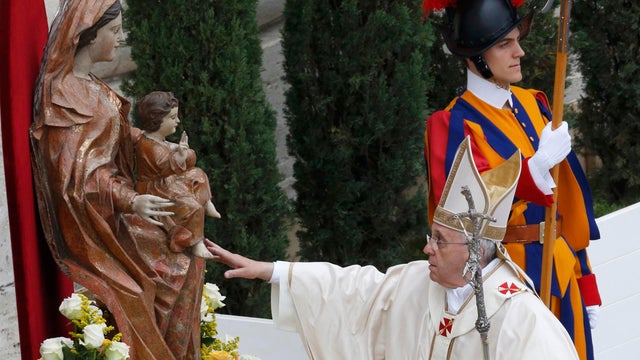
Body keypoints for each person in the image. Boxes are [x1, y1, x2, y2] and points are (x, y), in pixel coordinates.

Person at [208, 138, 579, 359]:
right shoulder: (418, 284)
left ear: (473, 250)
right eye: (430, 235)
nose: (427, 248)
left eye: (439, 240)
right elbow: (351, 291)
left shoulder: (522, 320)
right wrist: (271, 271)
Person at [422, 0, 601, 359]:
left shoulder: (535, 104)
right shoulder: (451, 125)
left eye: (517, 40)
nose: (519, 51)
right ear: (476, 56)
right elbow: (464, 214)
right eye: (505, 44)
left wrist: (587, 281)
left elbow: (567, 203)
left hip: (562, 272)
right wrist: (533, 170)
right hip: (509, 284)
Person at [30, 1, 206, 359]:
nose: (121, 38)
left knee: (185, 251)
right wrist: (130, 200)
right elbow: (74, 176)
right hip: (93, 221)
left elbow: (124, 142)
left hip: (117, 206)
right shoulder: (64, 95)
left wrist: (164, 151)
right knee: (156, 275)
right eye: (114, 31)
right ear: (89, 34)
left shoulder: (94, 87)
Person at [135, 91, 221, 259]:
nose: (178, 121)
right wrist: (180, 157)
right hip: (156, 189)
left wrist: (182, 152)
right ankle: (196, 242)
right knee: (192, 206)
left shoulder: (159, 141)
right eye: (173, 118)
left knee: (198, 174)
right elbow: (163, 167)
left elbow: (185, 160)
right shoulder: (148, 146)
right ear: (157, 120)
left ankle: (207, 202)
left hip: (168, 181)